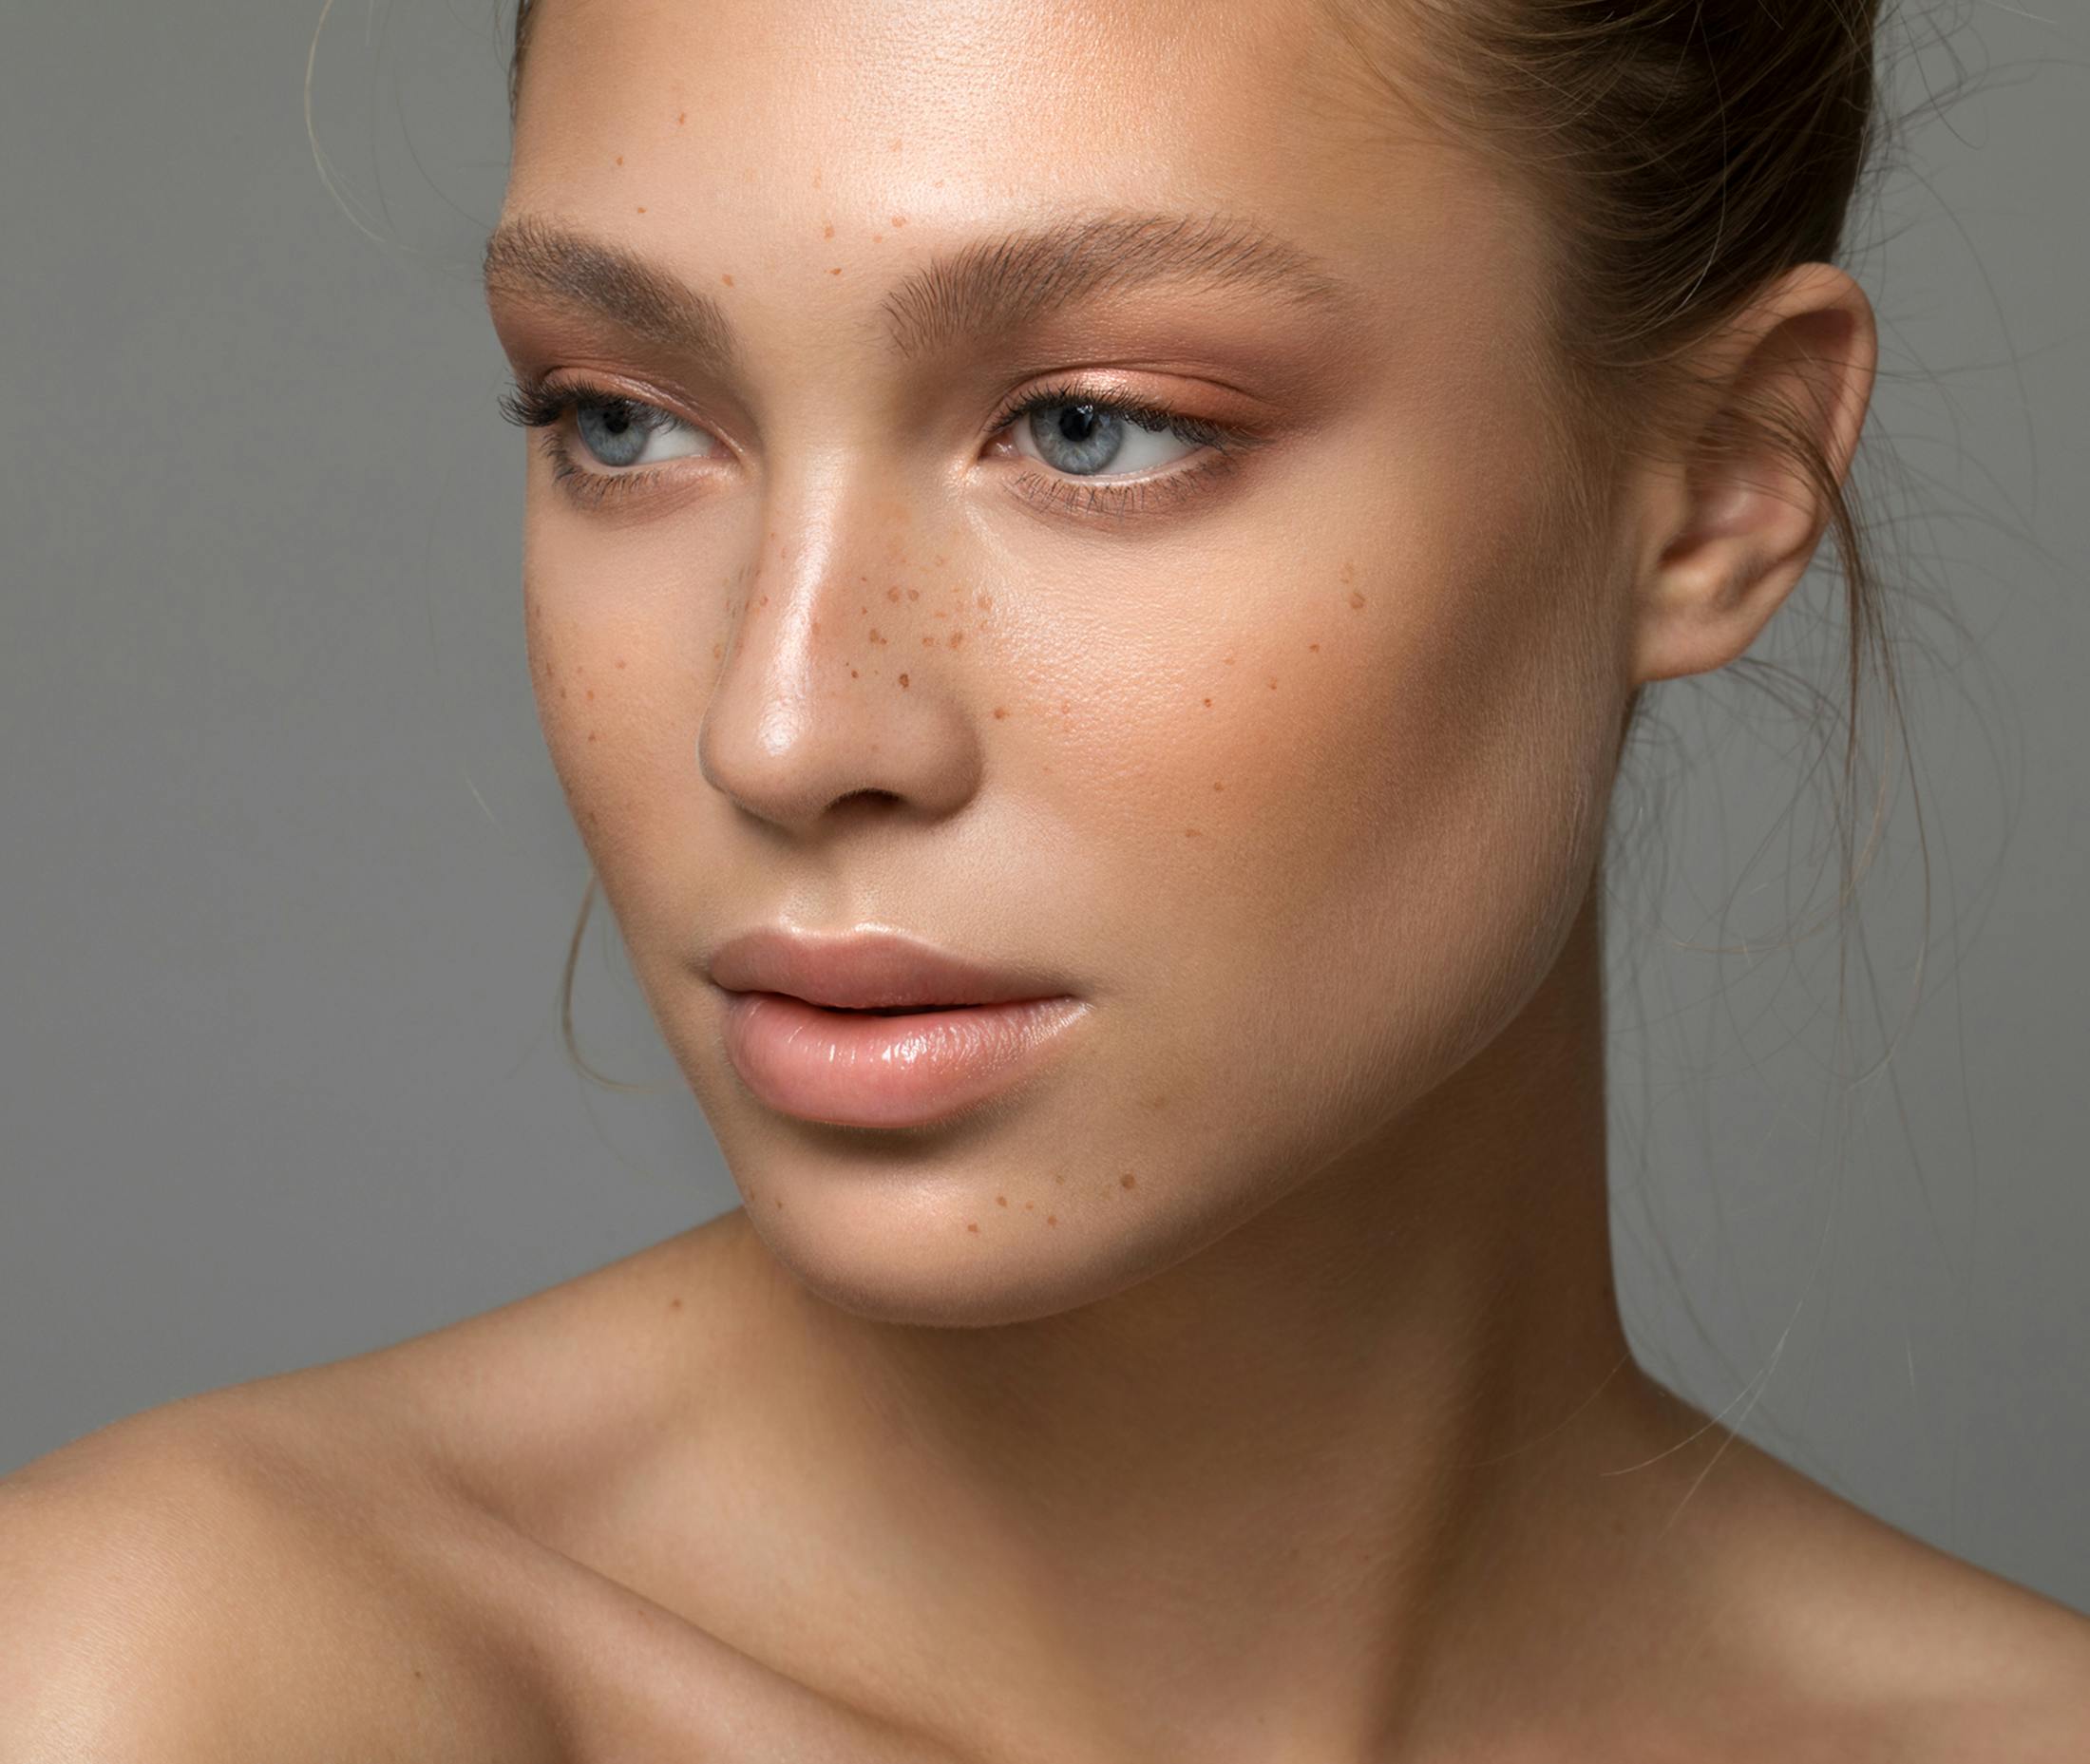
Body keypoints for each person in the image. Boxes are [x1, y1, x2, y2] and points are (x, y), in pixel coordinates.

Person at [5, 0, 2087, 1755]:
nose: (784, 723)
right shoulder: (187, 1683)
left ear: (1722, 486)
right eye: (624, 421)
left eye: (1089, 426)